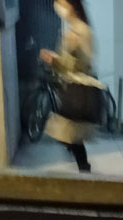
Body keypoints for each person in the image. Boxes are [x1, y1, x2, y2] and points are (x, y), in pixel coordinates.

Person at [40, 0, 96, 173]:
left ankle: (84, 170)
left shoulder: (81, 31)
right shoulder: (74, 30)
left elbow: (84, 62)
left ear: (72, 6)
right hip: (70, 87)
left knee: (70, 133)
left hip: (77, 89)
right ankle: (83, 168)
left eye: (62, 3)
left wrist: (56, 60)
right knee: (70, 134)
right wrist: (55, 60)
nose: (59, 7)